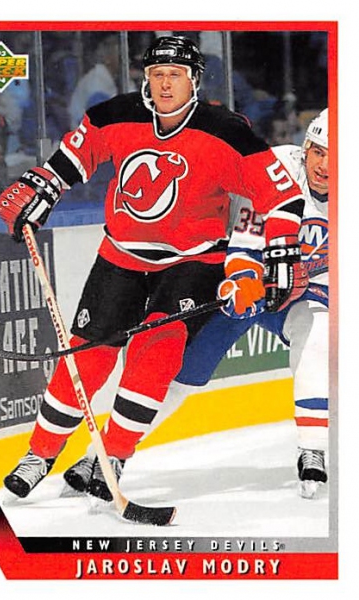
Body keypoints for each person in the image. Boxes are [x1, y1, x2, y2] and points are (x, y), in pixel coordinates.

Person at [0, 36, 307, 501]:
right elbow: (72, 158)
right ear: (145, 78)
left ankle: (115, 455)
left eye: (175, 75)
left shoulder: (227, 132)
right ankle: (39, 454)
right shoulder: (114, 115)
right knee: (87, 357)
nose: (164, 84)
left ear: (194, 80)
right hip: (121, 254)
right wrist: (41, 187)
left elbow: (283, 197)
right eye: (157, 74)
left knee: (154, 357)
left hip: (193, 260)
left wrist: (281, 250)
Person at [138, 108, 330, 500]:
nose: (324, 166)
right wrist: (243, 280)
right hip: (244, 284)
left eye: (337, 156)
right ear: (305, 149)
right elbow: (246, 241)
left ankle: (313, 449)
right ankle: (108, 452)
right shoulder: (279, 168)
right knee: (184, 374)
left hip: (301, 295)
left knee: (318, 330)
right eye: (318, 152)